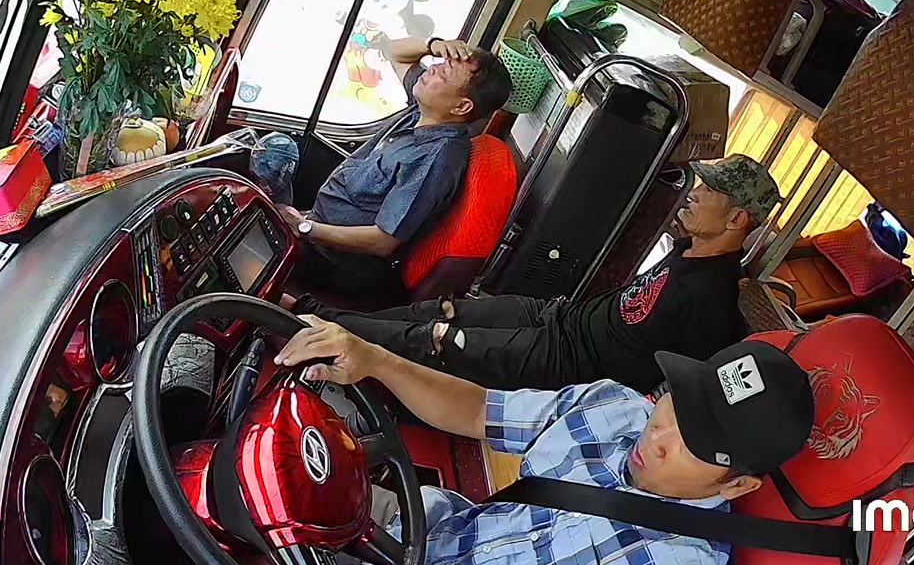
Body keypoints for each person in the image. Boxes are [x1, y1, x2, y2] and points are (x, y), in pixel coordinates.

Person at [275, 316, 816, 565]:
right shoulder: (613, 406)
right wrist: (375, 359)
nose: (657, 436)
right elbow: (477, 410)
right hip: (421, 527)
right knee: (274, 461)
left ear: (738, 485)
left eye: (695, 442)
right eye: (678, 405)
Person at [285, 154, 783, 394]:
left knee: (434, 339)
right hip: (557, 318)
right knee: (441, 310)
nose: (693, 193)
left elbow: (683, 380)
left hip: (568, 363)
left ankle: (302, 321)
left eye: (708, 191)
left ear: (737, 219)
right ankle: (317, 318)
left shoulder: (712, 297)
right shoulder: (688, 250)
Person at [273, 36, 513, 296]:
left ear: (461, 106)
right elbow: (394, 52)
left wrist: (304, 228)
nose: (431, 68)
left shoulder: (434, 158)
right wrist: (432, 45)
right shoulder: (424, 112)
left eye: (443, 74)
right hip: (316, 226)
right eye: (439, 63)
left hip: (333, 261)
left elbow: (382, 241)